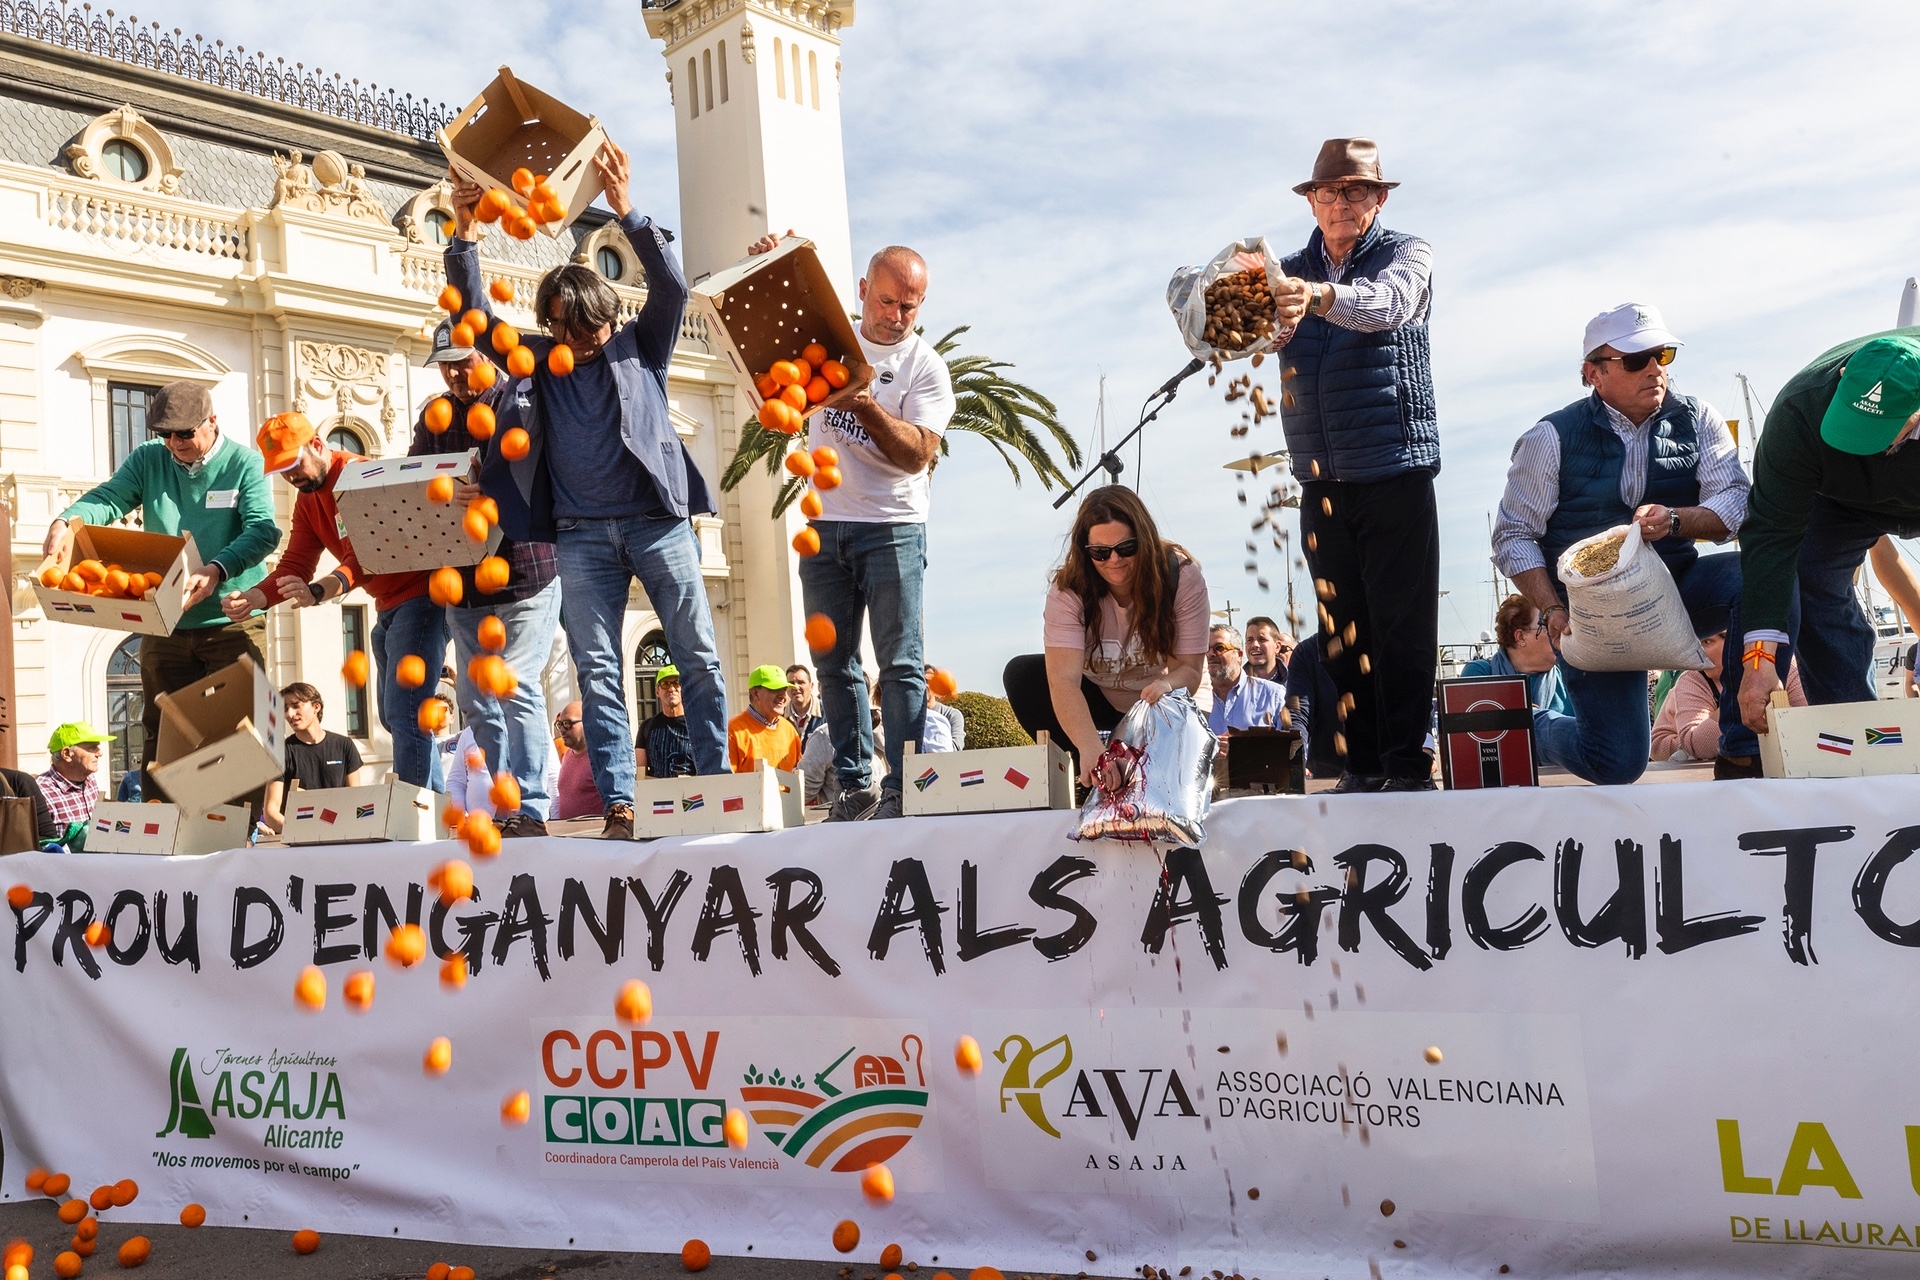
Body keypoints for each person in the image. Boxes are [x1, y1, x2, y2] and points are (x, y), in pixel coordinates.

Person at [447, 145, 727, 842]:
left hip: (657, 523)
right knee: (597, 671)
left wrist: (626, 205)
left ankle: (721, 783)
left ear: (609, 317)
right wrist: (465, 233)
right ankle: (620, 804)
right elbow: (477, 320)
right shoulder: (542, 362)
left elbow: (670, 285)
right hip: (578, 534)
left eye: (595, 329)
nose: (587, 343)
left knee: (696, 654)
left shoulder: (640, 346)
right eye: (572, 334)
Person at [1491, 303, 1755, 785]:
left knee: (1756, 575)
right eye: (1637, 360)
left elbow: (1735, 506)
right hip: (1587, 617)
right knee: (1616, 765)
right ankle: (1535, 724)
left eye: (1663, 354)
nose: (1655, 369)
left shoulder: (1700, 419)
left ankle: (1741, 748)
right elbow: (1513, 536)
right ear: (1593, 372)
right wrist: (1552, 612)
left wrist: (1676, 520)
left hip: (1674, 594)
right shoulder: (1549, 437)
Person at [747, 234, 958, 823]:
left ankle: (906, 786)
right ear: (863, 291)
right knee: (833, 666)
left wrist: (864, 402)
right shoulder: (829, 338)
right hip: (824, 525)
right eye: (887, 301)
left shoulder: (927, 368)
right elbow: (770, 324)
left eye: (909, 307)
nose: (895, 316)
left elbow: (918, 454)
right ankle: (855, 786)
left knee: (900, 663)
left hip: (892, 526)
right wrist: (766, 259)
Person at [1271, 138, 1439, 793]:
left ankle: (1405, 763)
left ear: (1380, 198)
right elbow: (1236, 335)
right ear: (1311, 201)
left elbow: (1384, 305)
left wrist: (1308, 298)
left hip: (1395, 467)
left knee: (1403, 628)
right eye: (1329, 192)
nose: (1342, 203)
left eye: (1356, 192)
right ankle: (1360, 765)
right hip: (1321, 478)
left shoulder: (1407, 254)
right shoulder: (1281, 273)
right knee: (1342, 634)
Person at [46, 380, 279, 799]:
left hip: (229, 622)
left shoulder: (245, 463)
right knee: (161, 727)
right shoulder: (148, 460)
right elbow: (110, 497)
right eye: (164, 434)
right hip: (164, 620)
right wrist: (67, 521)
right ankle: (163, 825)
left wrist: (216, 569)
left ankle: (240, 831)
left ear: (212, 422)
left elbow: (263, 531)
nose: (174, 443)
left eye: (184, 433)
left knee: (241, 729)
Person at [220, 414, 444, 788]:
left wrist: (319, 591)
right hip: (388, 605)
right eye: (282, 470)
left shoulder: (361, 476)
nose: (291, 476)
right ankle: (434, 807)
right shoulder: (308, 500)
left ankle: (416, 813)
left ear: (319, 446)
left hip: (423, 595)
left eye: (295, 463)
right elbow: (296, 564)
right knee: (397, 717)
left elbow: (369, 557)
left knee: (404, 712)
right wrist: (255, 598)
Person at [412, 318, 563, 837]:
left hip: (527, 572)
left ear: (486, 357)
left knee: (517, 686)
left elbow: (550, 474)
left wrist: (498, 494)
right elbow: (413, 478)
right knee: (477, 700)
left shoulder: (521, 401)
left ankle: (534, 805)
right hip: (464, 580)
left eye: (462, 363)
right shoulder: (433, 418)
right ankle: (506, 798)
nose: (453, 376)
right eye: (445, 367)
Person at [1732, 331, 1920, 735]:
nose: (1859, 446)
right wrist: (1760, 658)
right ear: (1843, 375)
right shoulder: (1797, 412)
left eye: (1877, 433)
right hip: (1839, 498)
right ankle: (1856, 732)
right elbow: (1770, 535)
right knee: (1808, 573)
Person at [1003, 486, 1207, 787]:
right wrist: (1088, 746)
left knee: (1162, 774)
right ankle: (1091, 774)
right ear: (1085, 552)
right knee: (1023, 675)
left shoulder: (1181, 577)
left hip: (1160, 697)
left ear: (1146, 541)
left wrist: (1166, 684)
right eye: (1100, 553)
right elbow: (1064, 680)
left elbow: (1189, 670)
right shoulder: (1069, 590)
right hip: (1101, 694)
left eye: (1127, 548)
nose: (1114, 561)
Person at [1653, 632, 1806, 762]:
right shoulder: (1693, 679)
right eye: (1696, 643)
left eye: (1708, 642)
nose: (1698, 652)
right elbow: (1698, 745)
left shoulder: (1783, 667)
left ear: (1736, 641)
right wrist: (1743, 698)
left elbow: (1807, 723)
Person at [262, 683, 370, 835]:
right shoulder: (280, 752)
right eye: (285, 708)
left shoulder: (344, 745)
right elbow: (271, 812)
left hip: (341, 836)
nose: (290, 714)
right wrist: (303, 833)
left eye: (295, 705)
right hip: (299, 843)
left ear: (316, 707)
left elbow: (356, 801)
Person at [1460, 595, 1574, 717]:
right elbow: (1472, 728)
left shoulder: (1569, 675)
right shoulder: (1480, 672)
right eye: (1548, 626)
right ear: (1520, 637)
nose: (1560, 633)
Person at [1205, 624, 1286, 734]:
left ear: (1239, 655)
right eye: (1206, 648)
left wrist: (1243, 747)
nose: (1210, 654)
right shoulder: (1194, 699)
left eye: (1219, 648)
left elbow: (1293, 746)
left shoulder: (1273, 696)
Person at [1285, 633, 1344, 779]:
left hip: (1388, 769)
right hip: (1329, 771)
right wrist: (1295, 759)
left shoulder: (1384, 640)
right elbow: (1299, 715)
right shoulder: (1307, 652)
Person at [37, 722, 112, 832]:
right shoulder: (41, 791)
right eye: (92, 747)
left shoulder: (90, 780)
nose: (100, 753)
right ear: (67, 754)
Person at [729, 665, 803, 773]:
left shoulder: (790, 731)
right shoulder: (733, 732)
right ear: (755, 694)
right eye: (775, 689)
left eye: (784, 689)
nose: (783, 696)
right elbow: (728, 783)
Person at [636, 665, 695, 778]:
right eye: (665, 684)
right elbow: (641, 774)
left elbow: (706, 770)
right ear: (657, 691)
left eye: (677, 683)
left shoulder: (696, 726)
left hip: (691, 793)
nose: (671, 689)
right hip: (658, 794)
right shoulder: (647, 727)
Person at [552, 702, 605, 821]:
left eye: (567, 724)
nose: (562, 730)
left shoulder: (601, 758)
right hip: (567, 836)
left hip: (592, 835)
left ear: (587, 722)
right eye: (559, 724)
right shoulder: (567, 756)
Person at [1243, 617, 1293, 688]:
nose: (1255, 645)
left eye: (1262, 639)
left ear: (1277, 647)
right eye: (1249, 640)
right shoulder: (1234, 685)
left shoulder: (1296, 682)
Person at [785, 664, 823, 741]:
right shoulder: (779, 717)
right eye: (791, 683)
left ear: (811, 686)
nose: (796, 687)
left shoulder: (828, 713)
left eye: (800, 682)